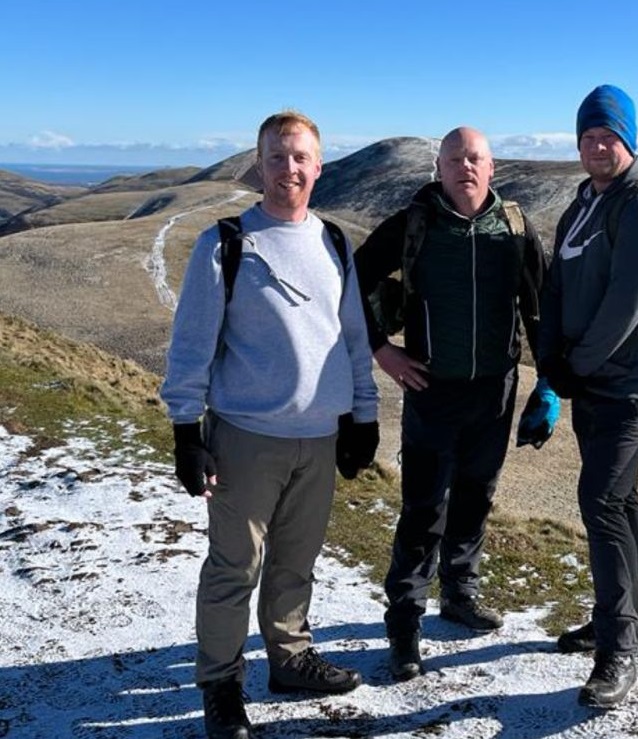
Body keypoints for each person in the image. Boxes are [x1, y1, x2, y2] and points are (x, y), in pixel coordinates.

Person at [160, 110, 379, 739]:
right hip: (247, 438)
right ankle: (221, 685)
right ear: (259, 166)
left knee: (296, 562)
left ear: (318, 165)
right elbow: (192, 344)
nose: (289, 169)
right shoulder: (225, 243)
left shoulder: (334, 242)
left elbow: (353, 339)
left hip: (321, 437)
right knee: (234, 568)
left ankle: (288, 660)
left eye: (301, 157)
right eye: (277, 157)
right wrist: (185, 431)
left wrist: (362, 415)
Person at [353, 126, 554, 682]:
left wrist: (549, 383)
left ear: (492, 169)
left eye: (476, 158)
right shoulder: (415, 223)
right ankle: (405, 624)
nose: (466, 167)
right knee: (423, 507)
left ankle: (460, 594)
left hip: (496, 389)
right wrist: (380, 349)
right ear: (438, 169)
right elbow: (353, 278)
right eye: (454, 159)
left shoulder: (513, 227)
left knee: (476, 495)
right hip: (430, 390)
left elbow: (540, 304)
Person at [539, 85, 638, 708]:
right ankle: (622, 618)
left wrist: (576, 365)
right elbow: (559, 281)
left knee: (600, 499)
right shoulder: (583, 201)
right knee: (619, 499)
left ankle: (618, 648)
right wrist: (553, 363)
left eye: (609, 136)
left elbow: (629, 302)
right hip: (593, 377)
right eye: (589, 136)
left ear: (629, 140)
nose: (598, 146)